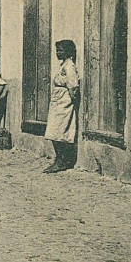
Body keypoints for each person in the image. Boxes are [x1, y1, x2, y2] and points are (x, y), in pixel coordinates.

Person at [44, 40, 80, 173]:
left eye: (61, 50)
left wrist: (70, 100)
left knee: (59, 131)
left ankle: (62, 161)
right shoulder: (63, 65)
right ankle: (60, 159)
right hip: (58, 101)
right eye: (57, 50)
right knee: (54, 131)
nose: (58, 53)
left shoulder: (69, 66)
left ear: (68, 51)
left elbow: (73, 85)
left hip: (64, 102)